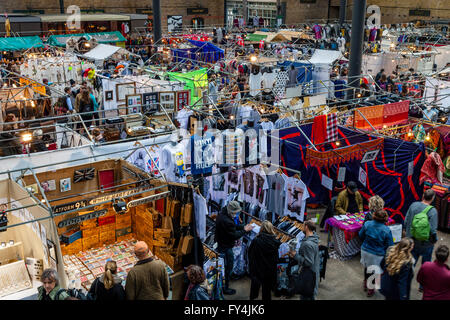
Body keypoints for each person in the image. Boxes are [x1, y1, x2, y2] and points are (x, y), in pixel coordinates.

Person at [215, 201, 254, 295]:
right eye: (235, 212)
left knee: (225, 266)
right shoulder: (227, 220)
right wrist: (245, 230)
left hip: (221, 243)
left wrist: (242, 226)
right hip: (225, 246)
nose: (236, 215)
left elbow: (233, 227)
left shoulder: (222, 214)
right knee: (228, 266)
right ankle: (225, 288)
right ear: (231, 211)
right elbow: (234, 235)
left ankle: (224, 285)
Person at [404, 189, 438, 281]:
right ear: (432, 198)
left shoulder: (413, 205)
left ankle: (407, 281)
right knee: (426, 265)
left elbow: (406, 221)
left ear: (423, 196)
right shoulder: (433, 211)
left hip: (411, 241)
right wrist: (434, 240)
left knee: (411, 263)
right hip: (425, 244)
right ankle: (422, 285)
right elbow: (433, 230)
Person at [359, 210, 393, 297]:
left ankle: (365, 283)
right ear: (385, 219)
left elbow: (360, 235)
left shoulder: (367, 224)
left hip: (365, 251)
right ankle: (371, 289)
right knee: (376, 271)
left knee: (367, 267)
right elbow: (390, 246)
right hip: (377, 254)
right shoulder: (386, 230)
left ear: (374, 216)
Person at [248, 221, 281, 300]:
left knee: (255, 287)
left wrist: (252, 266)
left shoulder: (256, 241)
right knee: (267, 290)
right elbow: (276, 258)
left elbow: (250, 254)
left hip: (257, 268)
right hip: (269, 270)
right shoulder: (275, 242)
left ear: (262, 228)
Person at [289, 220, 320, 300]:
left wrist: (295, 255)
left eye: (303, 225)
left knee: (307, 296)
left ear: (306, 227)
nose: (302, 227)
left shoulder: (307, 244)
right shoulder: (313, 237)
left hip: (308, 277)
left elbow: (308, 262)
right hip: (312, 274)